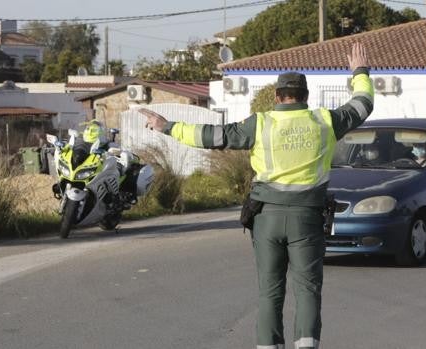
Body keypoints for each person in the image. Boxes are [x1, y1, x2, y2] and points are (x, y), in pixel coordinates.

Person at [139, 43, 373, 349]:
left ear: (277, 97)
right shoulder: (324, 121)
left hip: (267, 219)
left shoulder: (261, 123)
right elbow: (363, 104)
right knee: (308, 290)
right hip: (307, 220)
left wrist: (166, 126)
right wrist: (360, 72)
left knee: (270, 293)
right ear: (305, 97)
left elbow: (212, 136)